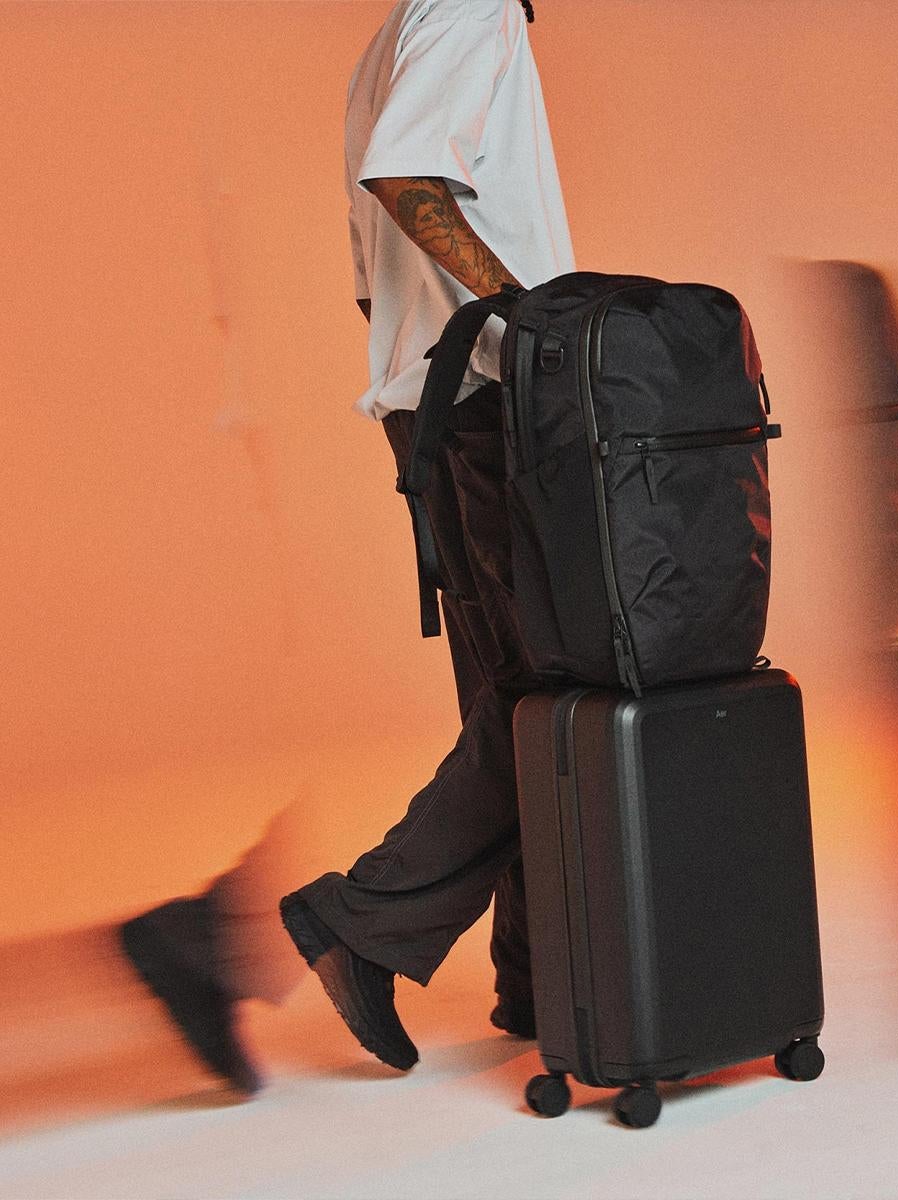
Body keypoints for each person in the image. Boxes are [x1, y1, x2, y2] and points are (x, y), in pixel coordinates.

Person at [120, 0, 574, 1091]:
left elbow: (370, 273)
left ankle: (537, 978)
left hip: (437, 405)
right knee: (546, 693)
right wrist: (541, 324)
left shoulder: (403, 30)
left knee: (511, 693)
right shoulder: (471, 13)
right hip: (486, 402)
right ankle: (339, 928)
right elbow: (405, 179)